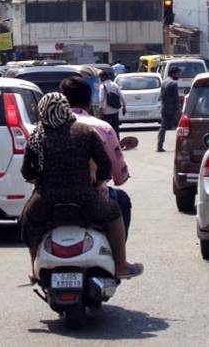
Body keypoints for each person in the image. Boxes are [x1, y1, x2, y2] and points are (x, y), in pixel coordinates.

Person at [19, 93, 143, 281]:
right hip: (85, 198)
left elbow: (27, 172)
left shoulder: (37, 137)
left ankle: (34, 268)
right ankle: (120, 265)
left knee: (29, 221)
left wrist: (40, 180)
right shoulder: (85, 132)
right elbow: (105, 164)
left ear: (42, 111)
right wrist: (100, 182)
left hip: (46, 200)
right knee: (115, 214)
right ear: (65, 109)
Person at [60, 76, 132, 236]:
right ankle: (120, 260)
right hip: (94, 197)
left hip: (52, 199)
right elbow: (117, 175)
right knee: (122, 201)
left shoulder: (46, 128)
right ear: (88, 100)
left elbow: (30, 170)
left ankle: (34, 259)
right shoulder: (101, 128)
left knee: (28, 220)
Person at [157, 67, 182, 152]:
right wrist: (178, 110)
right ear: (173, 73)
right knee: (181, 128)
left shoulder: (164, 82)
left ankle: (159, 146)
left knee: (163, 127)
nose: (179, 75)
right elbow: (176, 98)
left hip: (164, 107)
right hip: (172, 109)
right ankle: (181, 146)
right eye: (178, 73)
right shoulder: (173, 83)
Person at [98, 71, 126, 136]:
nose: (100, 79)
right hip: (115, 111)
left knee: (106, 129)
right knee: (115, 128)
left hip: (106, 112)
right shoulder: (115, 85)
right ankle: (117, 141)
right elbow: (122, 96)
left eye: (100, 77)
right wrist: (124, 106)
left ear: (103, 77)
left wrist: (100, 110)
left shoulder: (102, 86)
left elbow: (101, 99)